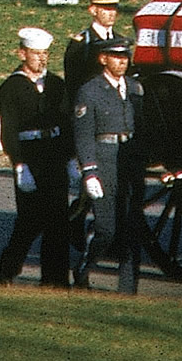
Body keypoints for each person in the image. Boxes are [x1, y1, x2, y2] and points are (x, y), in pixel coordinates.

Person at [0, 27, 75, 287]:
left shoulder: (55, 85)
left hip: (54, 155)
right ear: (22, 54)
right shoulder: (12, 87)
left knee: (59, 220)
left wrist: (70, 156)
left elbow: (65, 122)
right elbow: (9, 130)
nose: (42, 59)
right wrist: (18, 164)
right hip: (30, 156)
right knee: (30, 219)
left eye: (45, 54)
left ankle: (56, 280)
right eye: (36, 54)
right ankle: (8, 270)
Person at [73, 36, 151, 293]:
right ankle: (84, 268)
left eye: (125, 57)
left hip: (129, 162)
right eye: (116, 57)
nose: (122, 62)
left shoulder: (135, 89)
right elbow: (84, 133)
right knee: (106, 228)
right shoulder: (90, 90)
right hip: (105, 159)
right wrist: (90, 170)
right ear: (103, 59)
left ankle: (128, 289)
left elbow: (143, 129)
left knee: (132, 227)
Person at [62, 0, 122, 96]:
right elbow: (73, 81)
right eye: (106, 9)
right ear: (93, 10)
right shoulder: (81, 43)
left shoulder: (119, 40)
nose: (112, 13)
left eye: (114, 8)